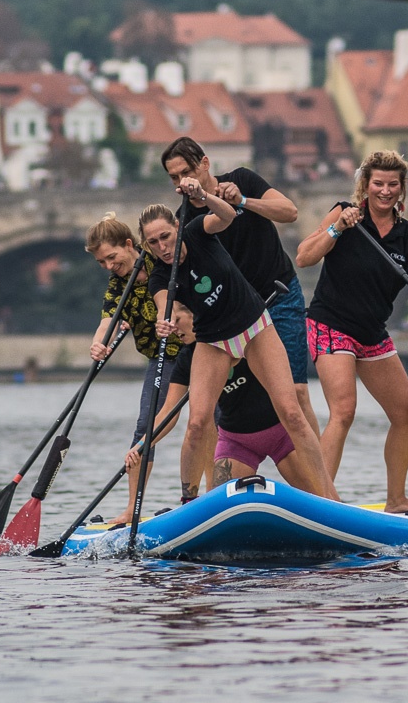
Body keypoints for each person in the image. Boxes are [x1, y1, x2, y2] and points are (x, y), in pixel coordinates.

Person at [152, 180, 337, 503]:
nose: (162, 247)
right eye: (153, 243)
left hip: (253, 327)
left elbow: (226, 215)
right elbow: (162, 304)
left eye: (166, 237)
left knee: (291, 412)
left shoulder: (197, 231)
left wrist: (202, 196)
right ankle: (189, 505)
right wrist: (162, 322)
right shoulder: (159, 274)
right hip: (215, 341)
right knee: (197, 424)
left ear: (177, 228)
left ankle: (330, 500)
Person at [293, 151, 408, 514]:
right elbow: (304, 256)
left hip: (372, 331)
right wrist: (338, 228)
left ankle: (397, 499)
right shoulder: (343, 213)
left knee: (406, 412)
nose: (385, 191)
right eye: (378, 184)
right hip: (331, 323)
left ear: (402, 190)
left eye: (392, 185)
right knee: (344, 410)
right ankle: (318, 500)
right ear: (365, 186)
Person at [92, 207, 192, 518]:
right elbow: (108, 319)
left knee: (210, 421)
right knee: (144, 427)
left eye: (113, 257)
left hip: (198, 348)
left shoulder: (158, 261)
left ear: (128, 244)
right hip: (160, 359)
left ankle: (200, 499)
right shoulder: (116, 284)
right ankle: (131, 509)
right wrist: (98, 344)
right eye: (102, 262)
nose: (110, 265)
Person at [206, 357, 333, 494]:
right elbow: (198, 424)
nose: (178, 334)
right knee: (220, 503)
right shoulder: (191, 355)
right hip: (235, 441)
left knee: (325, 498)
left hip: (283, 434)